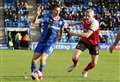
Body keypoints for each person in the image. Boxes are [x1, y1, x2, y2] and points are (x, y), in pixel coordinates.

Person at [31, 4, 64, 80]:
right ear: (52, 10)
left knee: (43, 58)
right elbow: (35, 22)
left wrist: (60, 37)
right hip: (42, 41)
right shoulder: (47, 18)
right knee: (34, 60)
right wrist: (37, 14)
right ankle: (34, 73)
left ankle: (40, 73)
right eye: (56, 10)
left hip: (51, 43)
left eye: (59, 10)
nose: (58, 12)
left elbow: (61, 29)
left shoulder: (61, 21)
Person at [67, 9, 100, 78]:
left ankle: (85, 70)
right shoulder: (85, 19)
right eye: (86, 15)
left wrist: (73, 33)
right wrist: (73, 24)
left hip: (93, 43)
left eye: (89, 16)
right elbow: (82, 22)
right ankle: (75, 64)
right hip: (84, 41)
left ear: (93, 16)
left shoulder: (95, 23)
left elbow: (87, 35)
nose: (87, 17)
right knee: (75, 57)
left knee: (94, 64)